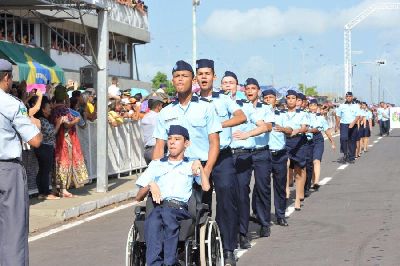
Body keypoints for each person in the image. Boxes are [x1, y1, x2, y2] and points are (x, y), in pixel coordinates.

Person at [152, 60, 226, 263]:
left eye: (185, 76)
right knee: (160, 212)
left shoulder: (206, 108)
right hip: (171, 171)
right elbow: (159, 147)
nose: (180, 79)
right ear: (172, 80)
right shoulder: (166, 112)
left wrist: (207, 170)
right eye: (177, 76)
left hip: (198, 169)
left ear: (192, 80)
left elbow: (214, 143)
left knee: (196, 219)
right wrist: (154, 176)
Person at [135, 125, 210, 266]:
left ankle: (168, 262)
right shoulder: (156, 164)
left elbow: (206, 187)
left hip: (180, 209)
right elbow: (138, 197)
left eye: (177, 139)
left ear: (186, 143)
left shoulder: (190, 164)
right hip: (158, 207)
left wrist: (199, 165)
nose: (172, 142)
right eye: (169, 139)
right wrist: (151, 184)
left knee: (165, 215)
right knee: (154, 220)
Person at [196, 60, 246, 260]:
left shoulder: (223, 99)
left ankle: (228, 248)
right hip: (200, 159)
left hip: (223, 158)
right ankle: (201, 247)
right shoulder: (191, 101)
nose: (204, 77)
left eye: (208, 73)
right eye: (200, 74)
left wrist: (218, 124)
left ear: (214, 77)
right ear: (196, 77)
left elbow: (241, 116)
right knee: (200, 203)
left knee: (226, 201)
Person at [0, 59, 43, 266]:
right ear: (6, 77)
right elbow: (35, 140)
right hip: (7, 170)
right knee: (13, 229)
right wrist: (36, 124)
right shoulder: (11, 103)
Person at [232, 78, 275, 241]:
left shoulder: (266, 108)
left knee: (263, 187)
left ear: (258, 91)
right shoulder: (240, 106)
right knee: (242, 189)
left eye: (253, 88)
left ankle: (264, 222)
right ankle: (242, 230)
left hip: (261, 152)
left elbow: (268, 127)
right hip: (243, 153)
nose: (250, 91)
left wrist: (248, 134)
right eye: (247, 88)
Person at [51, 85, 89, 197]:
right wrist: (76, 120)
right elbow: (67, 124)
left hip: (57, 140)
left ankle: (58, 188)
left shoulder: (54, 109)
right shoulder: (64, 110)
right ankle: (63, 189)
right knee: (65, 162)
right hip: (65, 140)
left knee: (58, 164)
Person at [262, 89, 293, 226]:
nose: (268, 99)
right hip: (265, 154)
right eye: (266, 97)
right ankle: (263, 216)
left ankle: (280, 215)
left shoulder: (282, 114)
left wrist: (283, 129)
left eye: (271, 97)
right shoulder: (260, 113)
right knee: (263, 187)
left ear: (276, 99)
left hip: (280, 154)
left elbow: (290, 130)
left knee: (280, 186)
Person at [34, 98, 65, 200]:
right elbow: (52, 133)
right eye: (48, 107)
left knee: (43, 170)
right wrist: (58, 123)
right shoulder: (42, 120)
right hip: (45, 147)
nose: (50, 109)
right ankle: (45, 193)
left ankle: (42, 192)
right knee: (45, 170)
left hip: (42, 147)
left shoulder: (42, 119)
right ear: (43, 109)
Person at [284, 90, 309, 211]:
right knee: (285, 165)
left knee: (299, 170)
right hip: (285, 141)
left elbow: (304, 127)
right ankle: (287, 189)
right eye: (288, 98)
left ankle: (298, 198)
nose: (290, 100)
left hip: (299, 142)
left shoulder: (302, 113)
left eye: (293, 98)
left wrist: (297, 130)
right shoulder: (281, 113)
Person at [306, 99, 335, 191]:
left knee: (316, 161)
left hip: (318, 139)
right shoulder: (305, 116)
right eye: (311, 105)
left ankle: (316, 182)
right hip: (307, 140)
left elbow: (326, 131)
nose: (313, 107)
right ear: (308, 107)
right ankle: (311, 181)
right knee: (310, 163)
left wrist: (332, 142)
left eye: (315, 105)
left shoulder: (321, 118)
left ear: (317, 107)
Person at [335, 92, 361, 164]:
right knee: (343, 138)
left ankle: (351, 157)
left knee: (352, 141)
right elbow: (338, 116)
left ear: (352, 97)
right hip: (344, 125)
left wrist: (353, 123)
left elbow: (358, 116)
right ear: (345, 97)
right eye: (347, 96)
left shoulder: (356, 106)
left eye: (350, 96)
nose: (348, 97)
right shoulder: (342, 106)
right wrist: (336, 126)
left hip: (353, 124)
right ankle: (345, 154)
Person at [141, 95, 164, 164]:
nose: (162, 108)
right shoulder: (158, 117)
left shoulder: (146, 116)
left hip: (147, 150)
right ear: (158, 106)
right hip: (156, 150)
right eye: (161, 105)